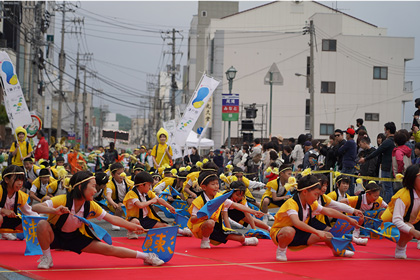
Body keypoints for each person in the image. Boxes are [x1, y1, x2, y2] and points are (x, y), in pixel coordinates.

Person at [32, 171, 164, 269]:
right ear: (80, 187)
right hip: (56, 236)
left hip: (76, 237)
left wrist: (134, 227)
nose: (95, 191)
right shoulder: (62, 200)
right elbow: (36, 207)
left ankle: (147, 256)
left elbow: (112, 218)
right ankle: (47, 258)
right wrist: (54, 211)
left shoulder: (91, 205)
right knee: (42, 224)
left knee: (109, 249)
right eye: (93, 187)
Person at [270, 174, 359, 261]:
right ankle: (281, 250)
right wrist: (316, 232)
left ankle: (337, 250)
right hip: (281, 234)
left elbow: (328, 210)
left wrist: (348, 219)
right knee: (289, 231)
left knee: (328, 235)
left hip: (300, 233)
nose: (317, 198)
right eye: (315, 194)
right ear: (305, 192)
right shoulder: (291, 203)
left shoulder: (311, 202)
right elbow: (296, 223)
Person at [187, 169, 259, 249]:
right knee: (210, 222)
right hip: (201, 228)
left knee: (240, 237)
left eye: (217, 184)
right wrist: (201, 216)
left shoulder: (219, 197)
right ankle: (205, 240)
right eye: (213, 184)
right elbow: (192, 219)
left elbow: (236, 205)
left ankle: (245, 241)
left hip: (217, 228)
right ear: (204, 187)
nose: (216, 186)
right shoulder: (199, 201)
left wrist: (253, 211)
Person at [123, 171, 192, 239]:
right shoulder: (131, 194)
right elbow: (140, 205)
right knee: (136, 221)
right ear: (141, 185)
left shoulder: (147, 192)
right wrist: (151, 201)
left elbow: (159, 199)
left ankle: (182, 231)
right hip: (132, 219)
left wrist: (170, 207)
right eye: (149, 185)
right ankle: (131, 231)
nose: (150, 187)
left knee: (164, 225)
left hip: (145, 219)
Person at [381, 164, 420, 259]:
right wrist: (414, 232)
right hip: (389, 225)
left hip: (410, 221)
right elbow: (397, 221)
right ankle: (400, 248)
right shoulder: (403, 196)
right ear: (412, 178)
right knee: (409, 230)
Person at [360, 122, 396, 203]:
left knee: (387, 188)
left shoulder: (387, 142)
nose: (384, 132)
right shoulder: (396, 141)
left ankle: (387, 205)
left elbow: (377, 152)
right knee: (390, 187)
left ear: (388, 130)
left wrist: (365, 159)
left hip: (387, 167)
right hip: (393, 167)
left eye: (385, 130)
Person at [0, 165, 39, 241]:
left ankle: (33, 246)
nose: (20, 183)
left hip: (9, 220)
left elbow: (29, 212)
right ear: (6, 180)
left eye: (22, 180)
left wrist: (41, 220)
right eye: (17, 180)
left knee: (30, 223)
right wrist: (3, 211)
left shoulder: (20, 195)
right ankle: (5, 233)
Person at [104, 162, 133, 230]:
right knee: (120, 205)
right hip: (114, 203)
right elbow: (108, 196)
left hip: (125, 202)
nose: (121, 176)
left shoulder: (127, 181)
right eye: (118, 174)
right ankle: (115, 223)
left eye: (122, 173)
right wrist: (113, 203)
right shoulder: (110, 184)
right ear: (112, 174)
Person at [337, 128, 357, 195]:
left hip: (347, 165)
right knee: (351, 183)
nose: (346, 135)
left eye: (347, 133)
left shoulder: (349, 142)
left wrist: (342, 147)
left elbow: (340, 151)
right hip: (352, 165)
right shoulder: (353, 142)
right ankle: (351, 198)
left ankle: (346, 197)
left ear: (349, 135)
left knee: (344, 182)